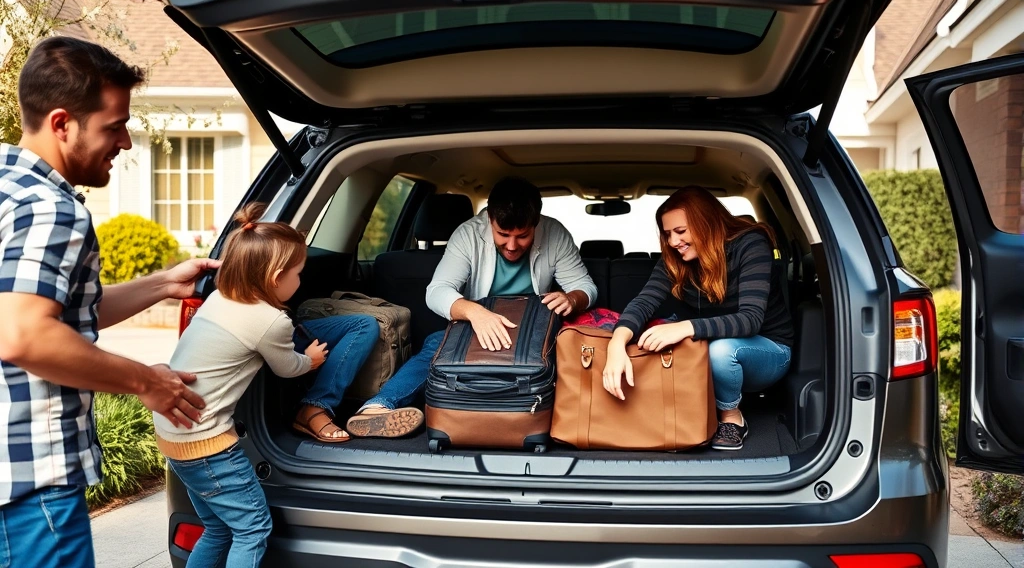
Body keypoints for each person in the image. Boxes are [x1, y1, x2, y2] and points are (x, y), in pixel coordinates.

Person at [0, 37, 214, 568]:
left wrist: (164, 284)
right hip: (33, 487)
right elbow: (24, 334)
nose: (126, 142)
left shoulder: (8, 185)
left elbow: (60, 311)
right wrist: (148, 382)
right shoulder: (53, 209)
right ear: (61, 123)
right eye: (113, 126)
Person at [345, 176, 598, 438]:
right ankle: (376, 409)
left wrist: (572, 298)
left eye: (522, 236)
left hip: (533, 330)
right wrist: (474, 312)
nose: (512, 246)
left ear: (536, 223)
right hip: (476, 325)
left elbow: (585, 287)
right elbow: (436, 291)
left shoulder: (555, 233)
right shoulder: (468, 234)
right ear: (489, 219)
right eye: (503, 234)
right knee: (436, 346)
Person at [154, 203, 332, 567]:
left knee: (217, 528)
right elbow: (287, 368)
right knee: (252, 529)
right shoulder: (270, 321)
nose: (301, 281)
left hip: (173, 435)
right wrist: (310, 359)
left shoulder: (221, 297)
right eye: (298, 273)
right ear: (276, 277)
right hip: (208, 445)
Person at [602, 187, 794, 451]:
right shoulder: (677, 259)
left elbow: (750, 320)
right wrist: (616, 343)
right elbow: (644, 302)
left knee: (721, 351)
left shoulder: (751, 245)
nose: (672, 242)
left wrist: (685, 328)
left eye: (680, 232)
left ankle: (731, 416)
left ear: (706, 223)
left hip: (767, 350)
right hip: (711, 349)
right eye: (668, 234)